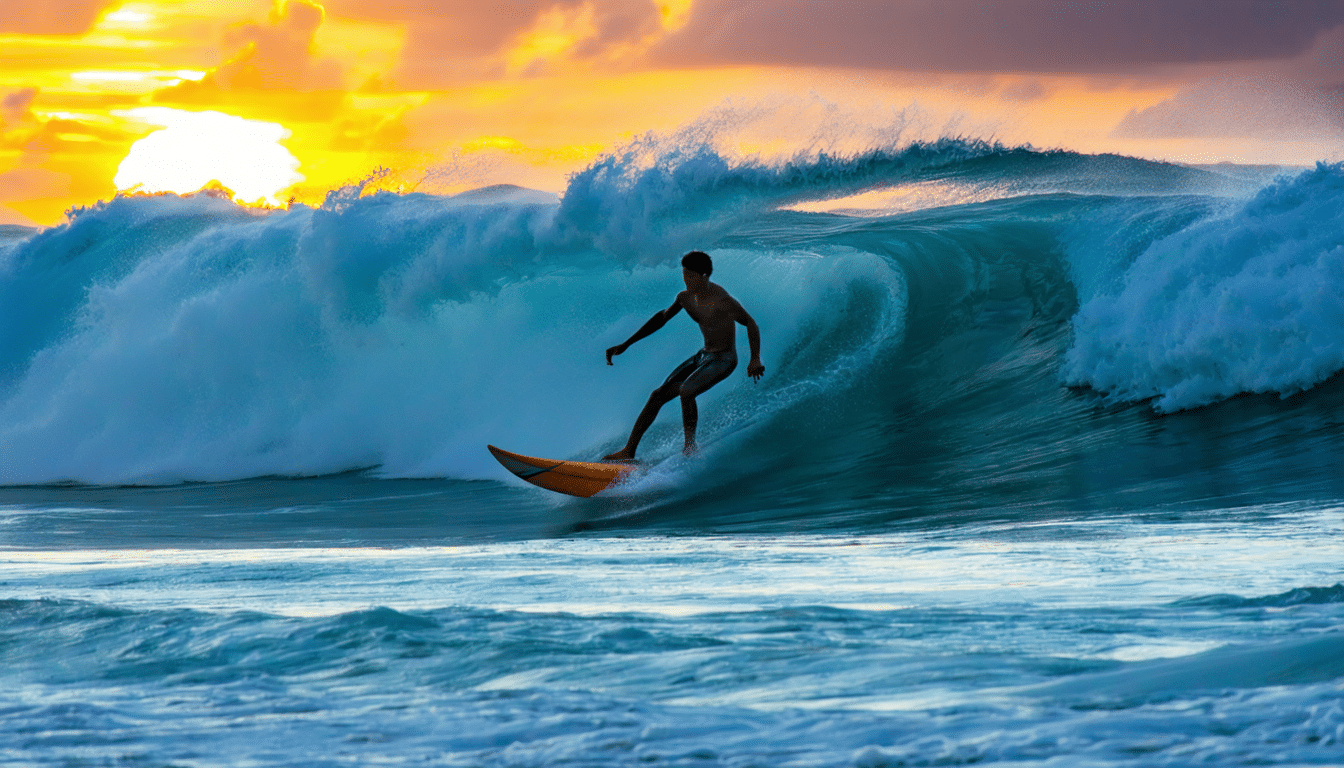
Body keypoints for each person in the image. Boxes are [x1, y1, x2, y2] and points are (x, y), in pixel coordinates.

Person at [604, 250, 764, 459]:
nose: (686, 280)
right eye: (684, 274)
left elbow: (750, 322)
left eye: (690, 276)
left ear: (704, 276)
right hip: (704, 356)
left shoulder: (722, 300)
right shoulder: (685, 298)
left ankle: (689, 448)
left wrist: (755, 358)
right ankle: (628, 451)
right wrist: (626, 343)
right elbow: (662, 318)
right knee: (657, 396)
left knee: (687, 390)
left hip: (724, 359)